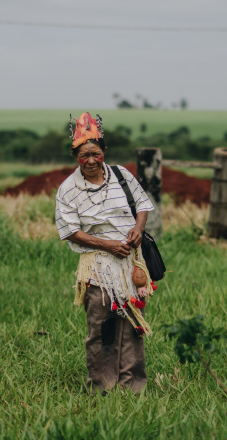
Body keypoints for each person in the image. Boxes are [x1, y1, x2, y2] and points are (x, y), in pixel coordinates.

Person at [55, 112, 158, 395]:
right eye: (83, 155)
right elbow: (70, 231)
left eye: (96, 154)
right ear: (75, 155)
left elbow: (143, 204)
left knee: (133, 326)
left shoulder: (122, 175)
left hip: (130, 266)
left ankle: (133, 387)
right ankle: (102, 388)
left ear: (104, 152)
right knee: (102, 328)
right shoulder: (68, 189)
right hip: (97, 267)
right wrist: (107, 244)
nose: (90, 161)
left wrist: (138, 228)